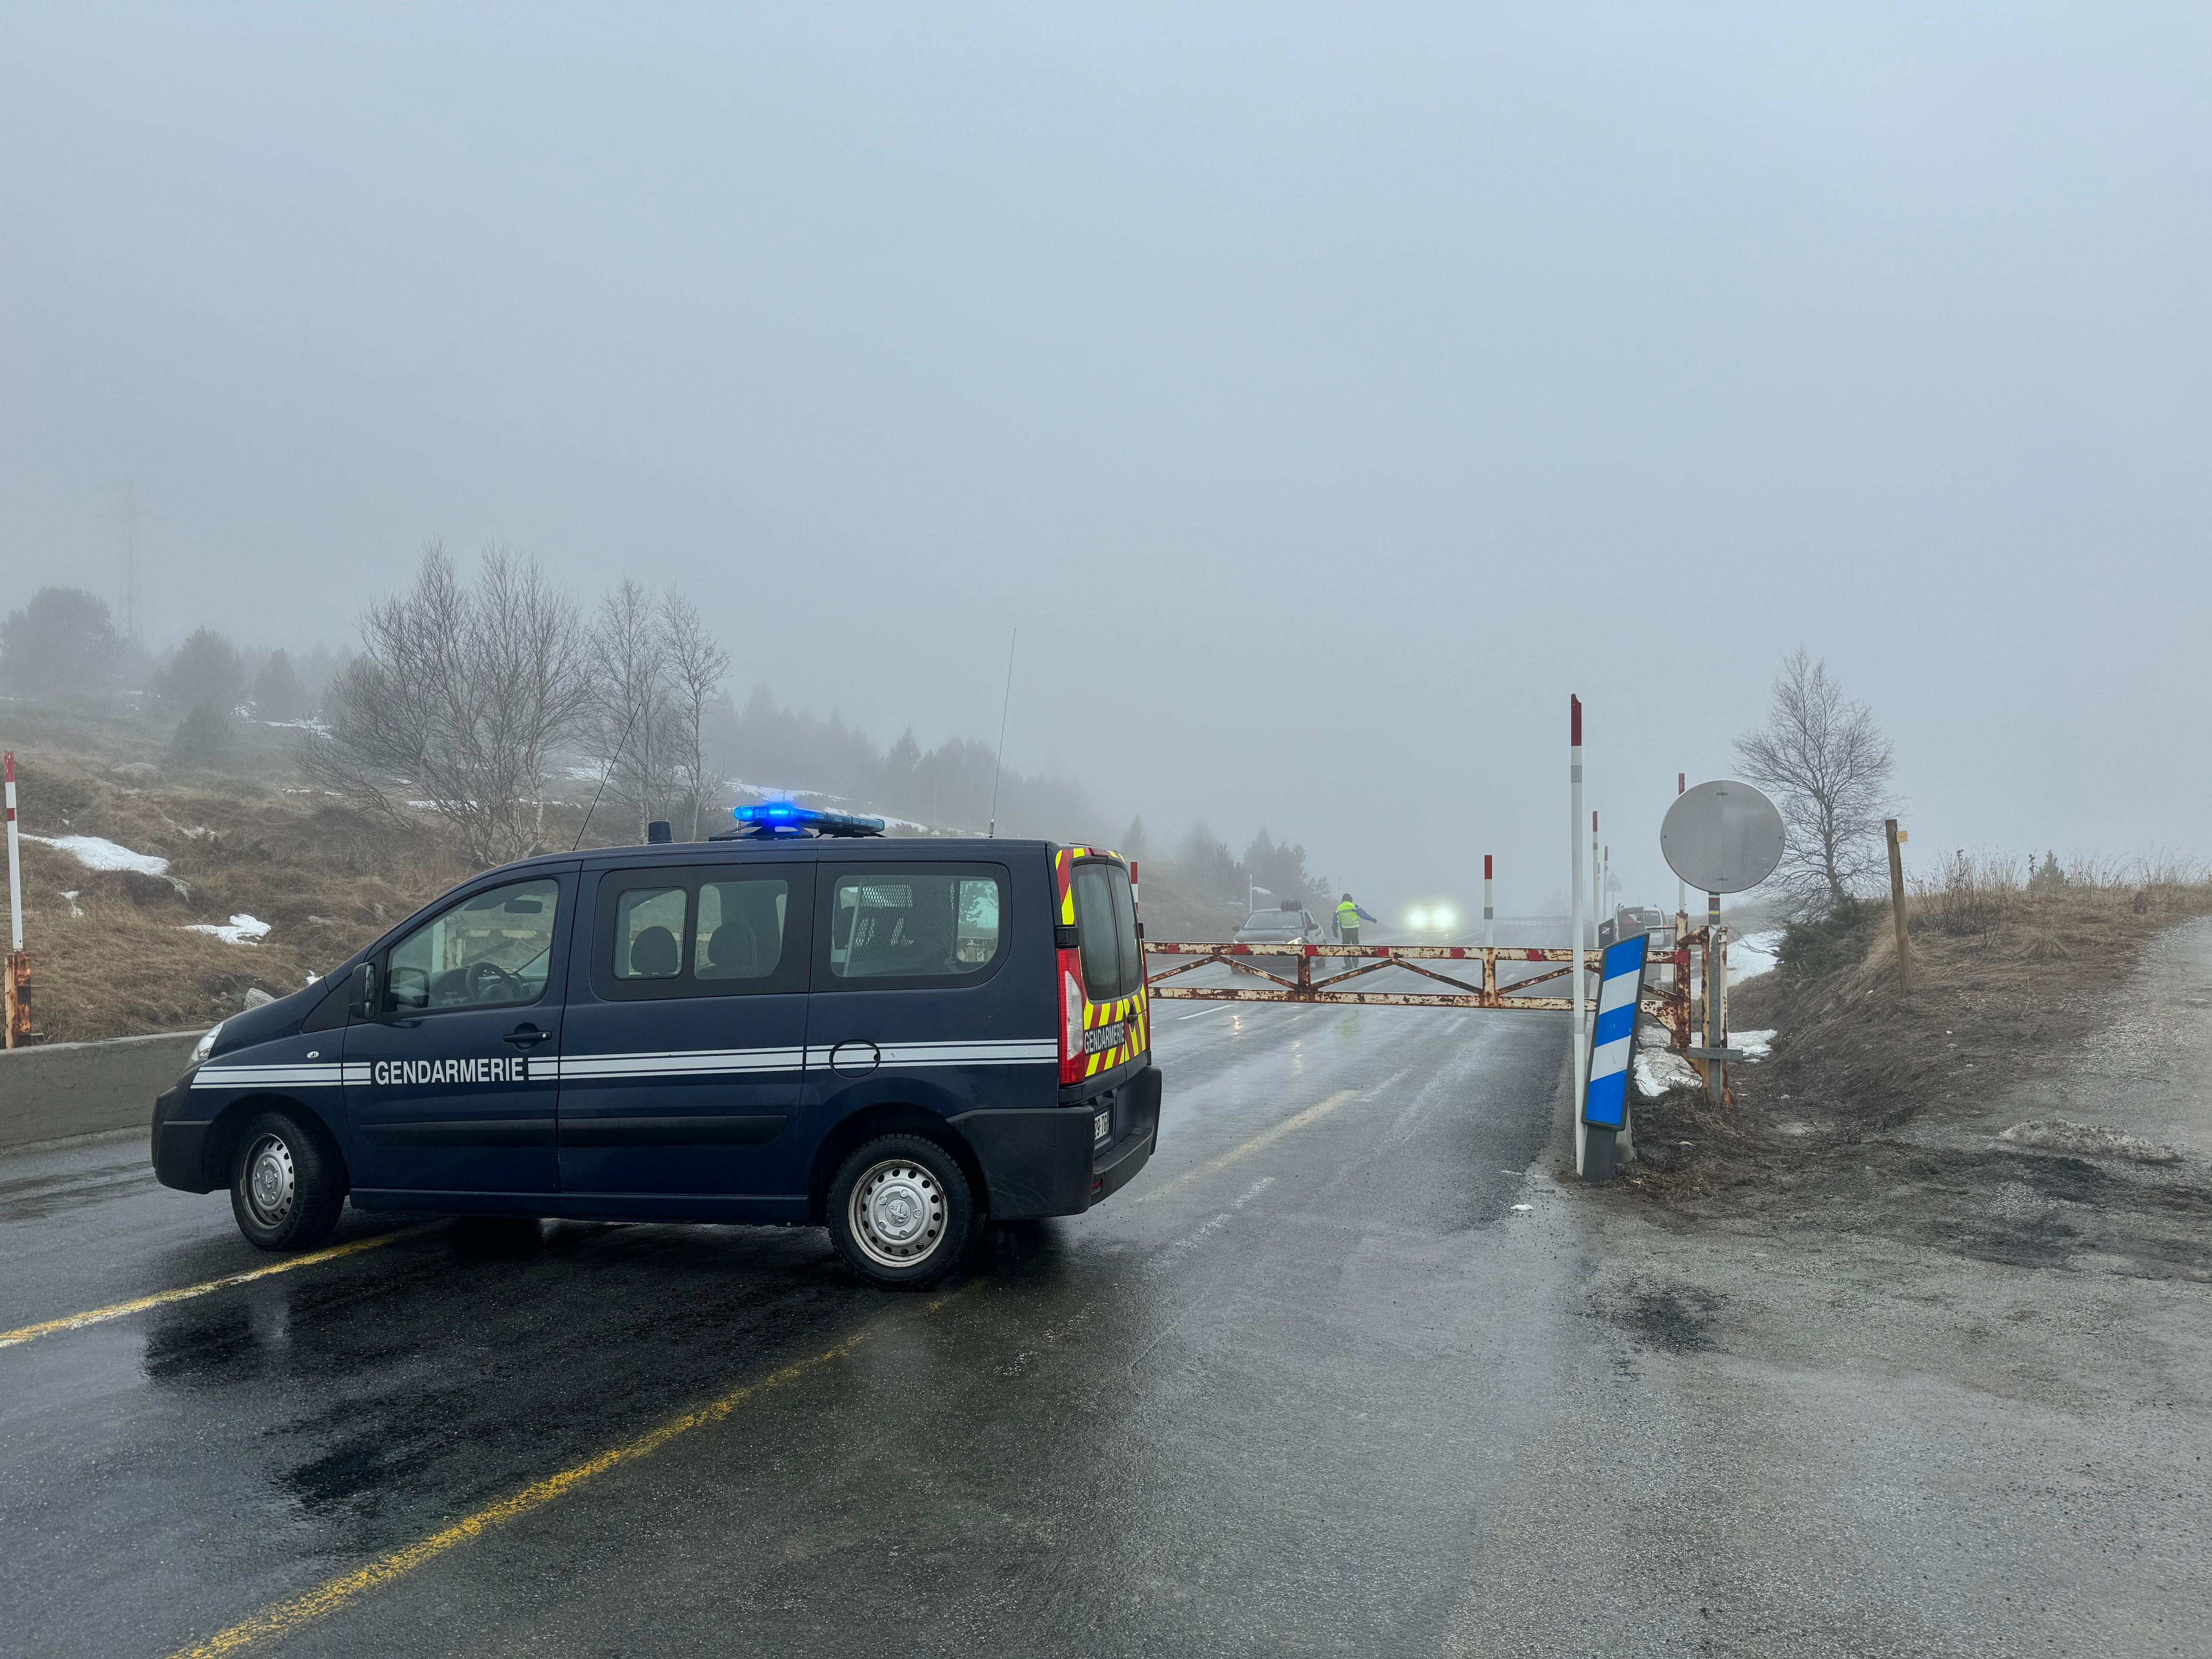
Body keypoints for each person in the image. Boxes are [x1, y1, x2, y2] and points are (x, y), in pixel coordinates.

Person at [1333, 892, 1376, 964]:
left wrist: (1335, 932)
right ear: (1350, 900)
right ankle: (1356, 963)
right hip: (1354, 929)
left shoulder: (1339, 908)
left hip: (1345, 930)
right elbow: (1363, 915)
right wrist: (1372, 919)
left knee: (1346, 947)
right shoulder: (1354, 906)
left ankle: (1348, 965)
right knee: (1355, 947)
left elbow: (1335, 921)